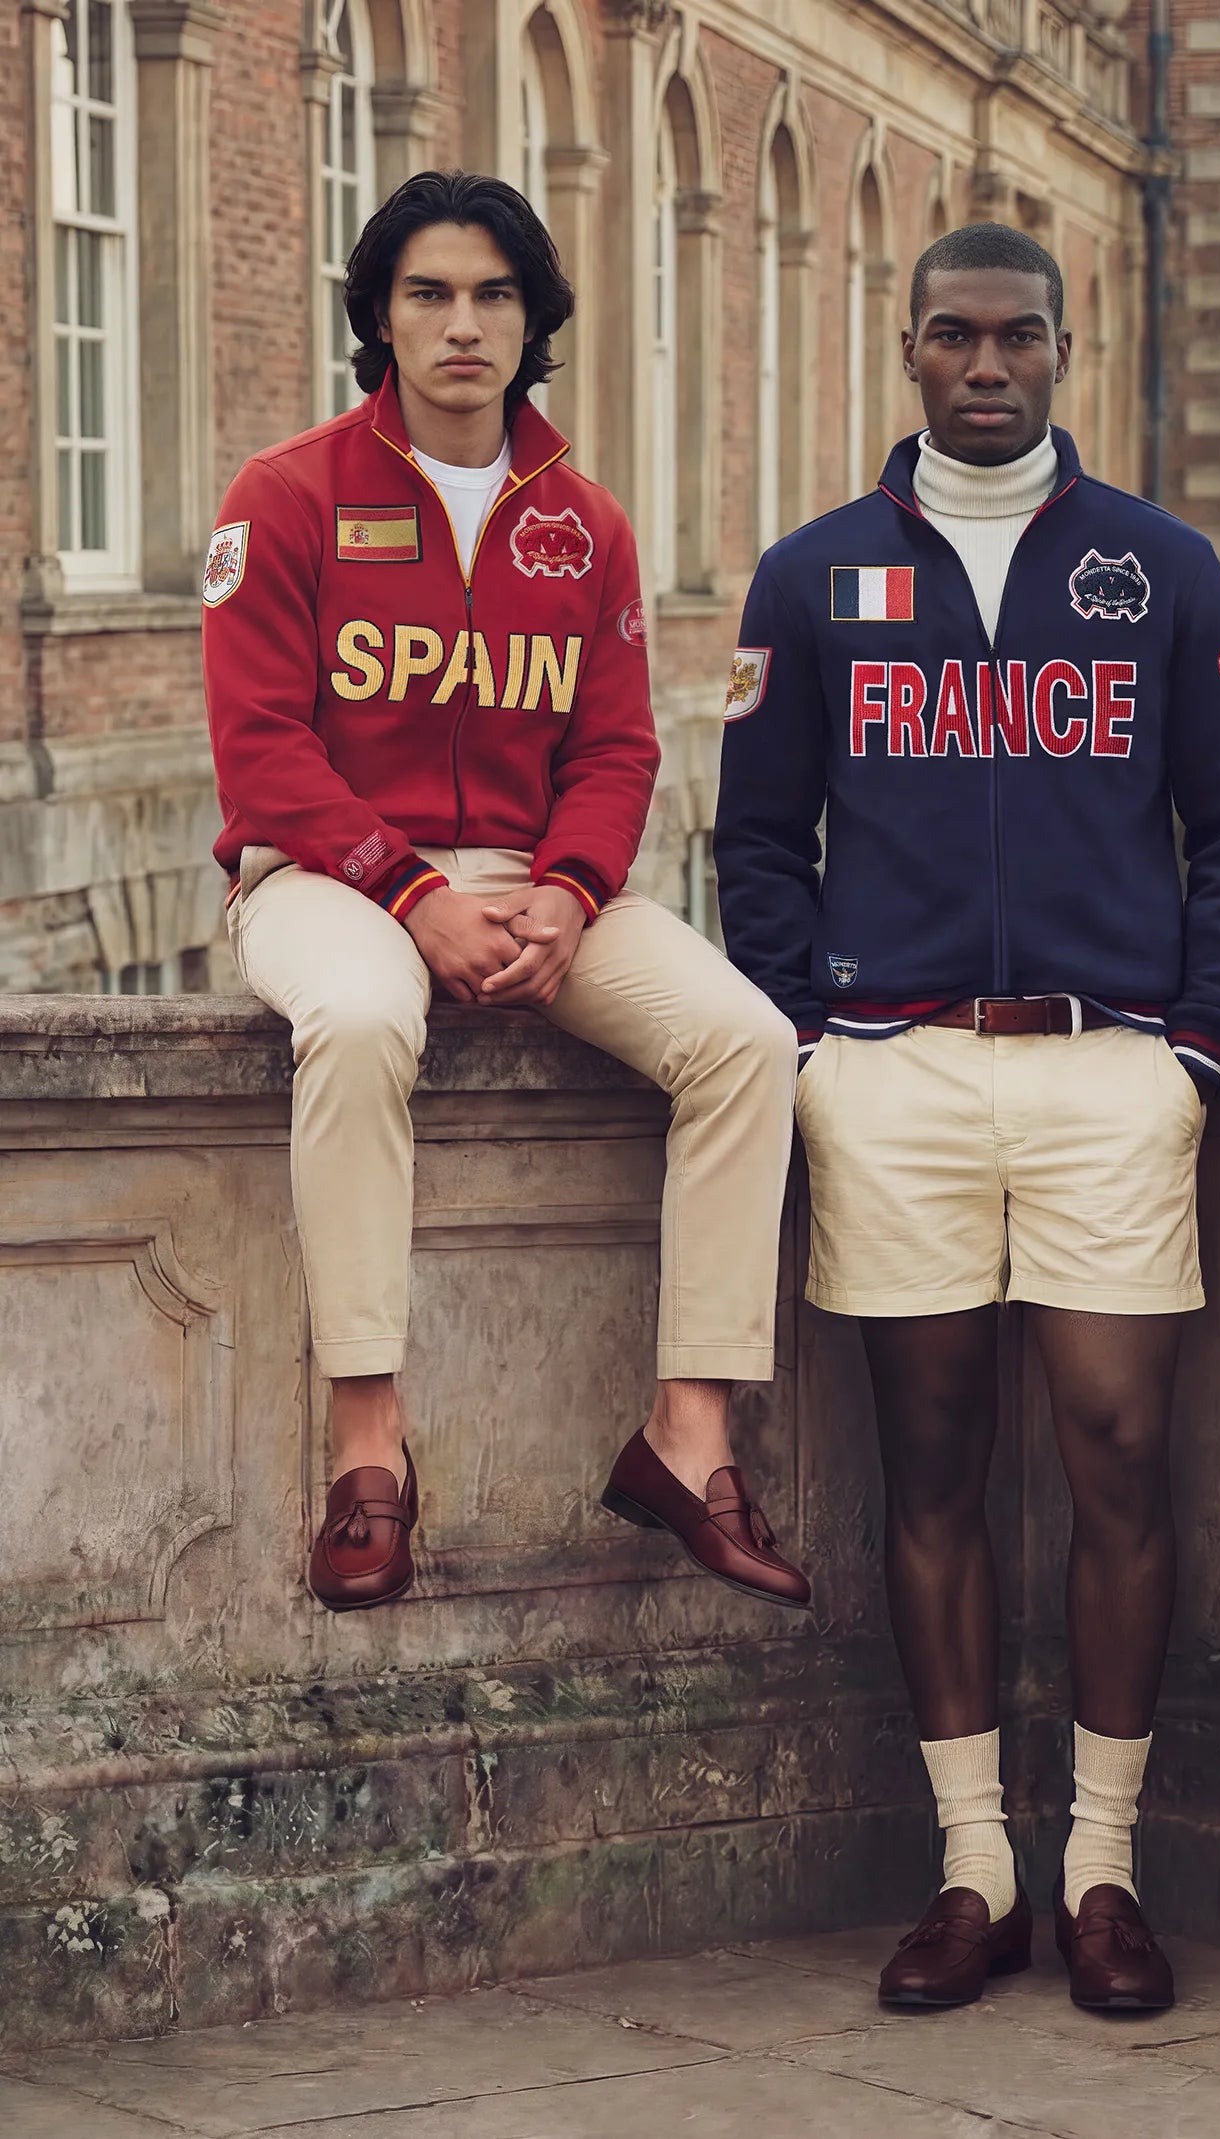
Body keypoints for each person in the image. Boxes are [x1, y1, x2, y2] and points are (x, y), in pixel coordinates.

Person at [713, 224, 1220, 2013]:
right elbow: (757, 842)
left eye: (1017, 337)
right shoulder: (812, 578)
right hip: (897, 1071)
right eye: (952, 335)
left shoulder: (1162, 568)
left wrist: (1195, 1051)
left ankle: (1104, 1868)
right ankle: (976, 1870)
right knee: (933, 1461)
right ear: (908, 348)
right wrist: (818, 1048)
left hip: (1110, 1068)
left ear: (1061, 351)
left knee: (1120, 1452)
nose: (985, 365)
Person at [201, 170, 809, 1616]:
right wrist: (410, 891)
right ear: (381, 315)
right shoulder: (285, 495)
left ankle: (689, 1435)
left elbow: (616, 748)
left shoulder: (584, 522)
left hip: (539, 884)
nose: (462, 324)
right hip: (328, 878)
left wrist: (573, 893)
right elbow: (263, 748)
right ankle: (368, 1441)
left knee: (748, 1040)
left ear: (534, 320)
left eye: (493, 294)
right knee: (361, 1021)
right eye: (429, 293)